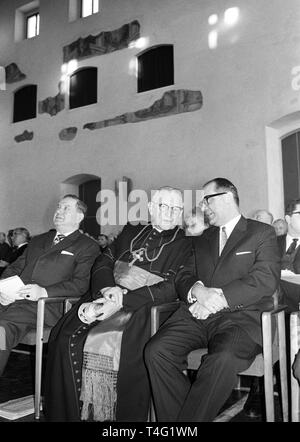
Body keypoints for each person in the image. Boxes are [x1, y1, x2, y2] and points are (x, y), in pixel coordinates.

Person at [43, 186, 192, 422]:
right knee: (64, 337)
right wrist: (107, 289)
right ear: (152, 207)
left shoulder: (186, 243)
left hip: (145, 308)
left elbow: (172, 286)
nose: (171, 212)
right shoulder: (131, 232)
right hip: (107, 293)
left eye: (177, 208)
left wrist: (123, 299)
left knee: (121, 347)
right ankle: (68, 415)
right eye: (165, 206)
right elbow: (104, 260)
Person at [145, 177, 280, 422]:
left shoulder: (261, 233)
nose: (203, 207)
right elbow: (184, 274)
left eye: (207, 200)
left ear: (227, 197)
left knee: (222, 360)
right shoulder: (202, 238)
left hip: (240, 319)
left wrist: (220, 298)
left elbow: (265, 279)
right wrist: (199, 291)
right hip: (196, 314)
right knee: (156, 350)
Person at [0, 194, 100, 376]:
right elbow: (15, 268)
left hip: (49, 306)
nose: (58, 212)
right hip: (18, 300)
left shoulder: (87, 246)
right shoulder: (39, 240)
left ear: (79, 217)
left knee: (2, 327)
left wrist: (44, 291)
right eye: (58, 207)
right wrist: (3, 289)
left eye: (66, 208)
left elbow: (81, 284)